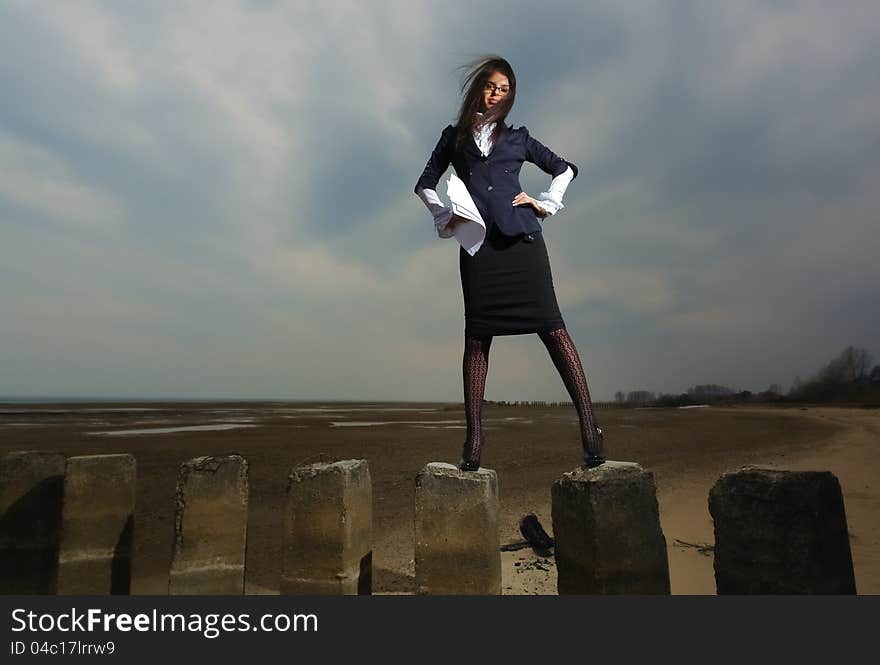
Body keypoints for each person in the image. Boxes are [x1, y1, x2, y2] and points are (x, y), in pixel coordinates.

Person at [414, 55, 606, 472]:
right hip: (481, 253)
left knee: (555, 332)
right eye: (491, 86)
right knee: (478, 340)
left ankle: (591, 430)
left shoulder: (519, 138)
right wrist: (445, 217)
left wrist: (545, 202)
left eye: (505, 90)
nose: (497, 94)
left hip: (523, 243)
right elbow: (424, 183)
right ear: (478, 88)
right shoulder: (454, 138)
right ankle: (474, 439)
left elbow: (564, 168)